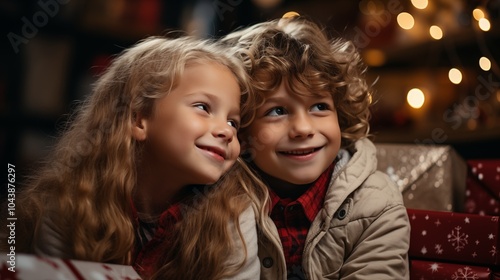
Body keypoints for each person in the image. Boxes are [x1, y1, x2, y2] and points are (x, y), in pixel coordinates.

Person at [1, 36, 266, 279]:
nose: (226, 131)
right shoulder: (71, 201)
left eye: (233, 121)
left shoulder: (232, 215)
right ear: (139, 119)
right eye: (203, 107)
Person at [221, 13, 411, 279]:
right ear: (240, 127)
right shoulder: (218, 200)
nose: (303, 128)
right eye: (277, 111)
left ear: (340, 113)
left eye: (320, 107)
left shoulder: (376, 203)